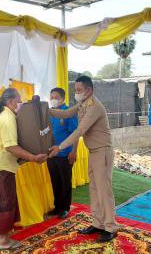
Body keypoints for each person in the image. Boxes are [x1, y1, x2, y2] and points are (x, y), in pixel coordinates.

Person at [48, 76, 117, 243]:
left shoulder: (95, 107)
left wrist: (60, 147)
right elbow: (65, 113)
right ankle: (97, 223)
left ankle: (111, 227)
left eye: (79, 90)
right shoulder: (82, 104)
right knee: (94, 189)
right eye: (75, 90)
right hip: (94, 152)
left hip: (103, 151)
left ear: (89, 90)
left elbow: (79, 131)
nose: (76, 93)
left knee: (104, 190)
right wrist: (45, 109)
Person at [0, 88, 47, 251]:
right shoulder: (8, 118)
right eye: (19, 101)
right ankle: (4, 241)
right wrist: (33, 158)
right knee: (4, 201)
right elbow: (11, 147)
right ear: (10, 102)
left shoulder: (4, 114)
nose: (20, 104)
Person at [47, 87, 78, 219]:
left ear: (62, 98)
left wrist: (74, 151)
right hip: (51, 154)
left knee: (65, 182)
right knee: (55, 181)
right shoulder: (50, 113)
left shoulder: (68, 112)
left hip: (65, 153)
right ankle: (57, 207)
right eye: (51, 97)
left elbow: (75, 133)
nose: (53, 100)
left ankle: (65, 208)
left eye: (56, 97)